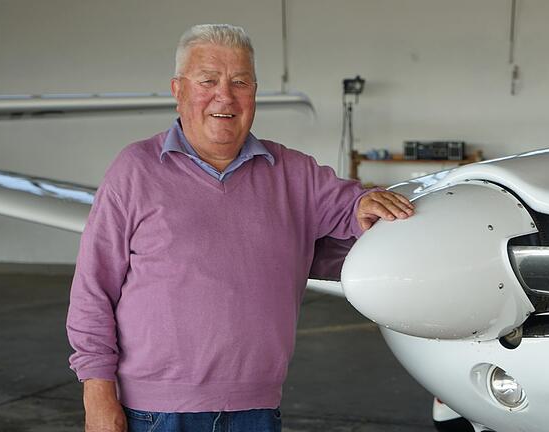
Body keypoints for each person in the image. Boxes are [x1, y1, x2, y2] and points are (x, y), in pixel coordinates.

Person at [66, 24, 414, 432]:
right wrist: (97, 395)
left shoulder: (294, 173)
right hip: (153, 411)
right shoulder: (134, 170)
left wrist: (367, 202)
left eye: (240, 82)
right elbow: (93, 289)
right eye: (208, 81)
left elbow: (354, 210)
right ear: (178, 90)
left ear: (254, 93)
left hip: (257, 409)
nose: (225, 96)